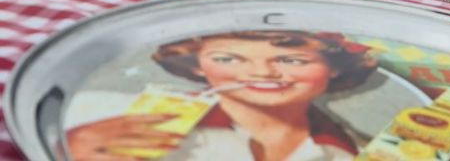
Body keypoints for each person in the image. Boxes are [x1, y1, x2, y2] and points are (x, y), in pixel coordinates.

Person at [66, 31, 377, 161]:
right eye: (228, 58)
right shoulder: (106, 113)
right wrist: (70, 147)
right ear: (197, 65)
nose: (262, 72)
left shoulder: (359, 149)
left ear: (334, 68)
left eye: (291, 60)